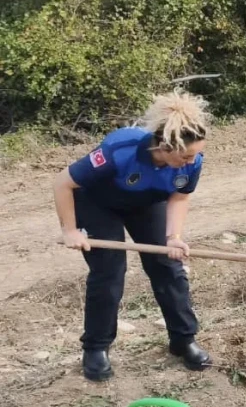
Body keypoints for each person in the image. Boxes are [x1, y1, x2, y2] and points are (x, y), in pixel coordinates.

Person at [53, 89, 212, 382]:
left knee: (167, 266)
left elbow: (179, 197)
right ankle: (96, 348)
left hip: (146, 203)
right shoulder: (119, 150)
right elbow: (63, 182)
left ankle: (183, 340)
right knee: (110, 270)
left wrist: (173, 236)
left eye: (197, 153)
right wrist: (70, 230)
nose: (193, 160)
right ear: (165, 146)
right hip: (98, 204)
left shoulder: (192, 161)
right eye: (187, 155)